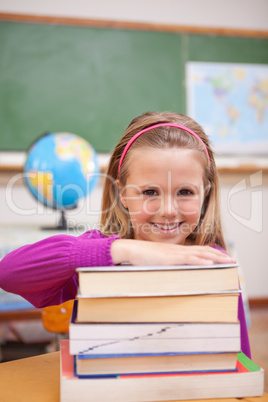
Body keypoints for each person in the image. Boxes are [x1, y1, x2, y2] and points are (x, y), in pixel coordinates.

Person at [0, 111, 250, 357]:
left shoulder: (214, 262)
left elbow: (238, 356)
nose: (168, 211)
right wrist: (123, 250)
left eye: (185, 192)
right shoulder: (100, 256)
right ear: (122, 194)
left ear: (205, 194)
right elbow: (8, 274)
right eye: (149, 192)